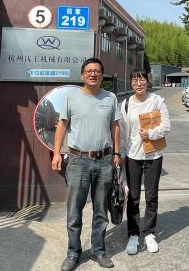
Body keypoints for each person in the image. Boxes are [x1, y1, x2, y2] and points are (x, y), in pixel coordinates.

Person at [52, 58, 121, 270]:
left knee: (101, 209)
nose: (93, 74)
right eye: (89, 71)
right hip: (77, 160)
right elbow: (62, 126)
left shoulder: (110, 98)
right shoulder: (71, 97)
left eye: (97, 71)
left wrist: (117, 153)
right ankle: (73, 252)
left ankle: (98, 251)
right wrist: (56, 153)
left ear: (102, 75)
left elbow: (115, 126)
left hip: (104, 160)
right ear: (82, 75)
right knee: (74, 210)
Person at [119, 68, 171, 255]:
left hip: (153, 156)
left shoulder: (157, 101)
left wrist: (150, 133)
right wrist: (121, 154)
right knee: (133, 197)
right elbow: (122, 132)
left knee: (151, 196)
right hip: (133, 156)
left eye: (141, 80)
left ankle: (149, 233)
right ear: (131, 83)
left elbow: (166, 126)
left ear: (147, 81)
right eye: (135, 80)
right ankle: (133, 234)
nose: (138, 83)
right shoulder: (126, 104)